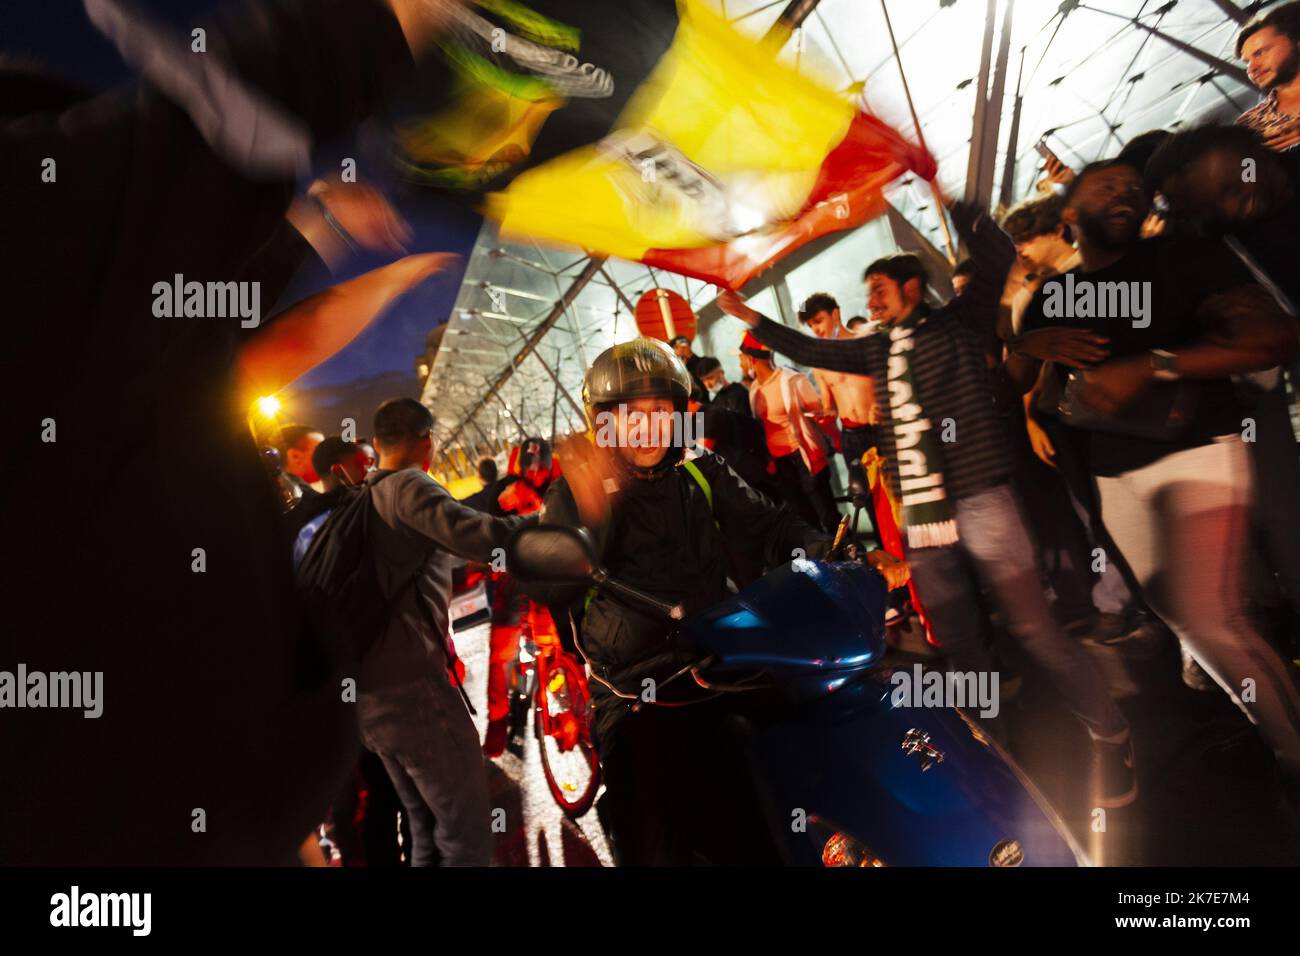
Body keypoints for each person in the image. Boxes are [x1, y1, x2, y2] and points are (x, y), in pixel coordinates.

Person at [2, 0, 462, 865]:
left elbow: (215, 328)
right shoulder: (55, 255)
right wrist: (382, 27)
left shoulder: (109, 349)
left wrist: (329, 234)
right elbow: (169, 177)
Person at [721, 195, 1140, 807]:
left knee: (1033, 626)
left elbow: (996, 253)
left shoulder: (962, 321)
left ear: (914, 287)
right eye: (868, 293)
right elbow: (811, 351)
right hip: (923, 516)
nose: (871, 302)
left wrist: (956, 198)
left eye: (880, 289)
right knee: (959, 642)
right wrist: (748, 316)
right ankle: (994, 748)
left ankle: (1111, 733)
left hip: (983, 501)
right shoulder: (874, 348)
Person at [537, 338, 908, 865]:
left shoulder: (698, 469)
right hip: (637, 689)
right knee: (652, 839)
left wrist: (845, 554)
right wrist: (589, 523)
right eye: (630, 414)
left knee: (834, 757)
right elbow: (544, 582)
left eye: (660, 410)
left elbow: (773, 526)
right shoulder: (575, 491)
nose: (647, 427)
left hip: (728, 658)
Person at [1011, 158, 1300, 800]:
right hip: (1113, 471)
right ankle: (1273, 726)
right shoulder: (1053, 294)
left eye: (1131, 186)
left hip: (1199, 448)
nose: (1124, 191)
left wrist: (1156, 364)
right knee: (1183, 617)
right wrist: (1031, 347)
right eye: (1104, 185)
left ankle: (1293, 753)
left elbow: (1273, 337)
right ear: (1069, 213)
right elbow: (1017, 382)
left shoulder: (1183, 257)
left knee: (1210, 614)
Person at [357, 398, 530, 866]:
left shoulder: (366, 497)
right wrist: (549, 521)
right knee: (465, 828)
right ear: (427, 441)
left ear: (376, 443)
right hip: (414, 693)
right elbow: (486, 536)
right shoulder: (409, 486)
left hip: (371, 699)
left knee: (425, 825)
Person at [481, 437, 558, 756]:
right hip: (515, 580)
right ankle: (498, 719)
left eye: (542, 467)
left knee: (565, 643)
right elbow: (494, 533)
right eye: (532, 468)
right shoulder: (507, 490)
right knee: (501, 651)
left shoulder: (562, 483)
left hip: (556, 577)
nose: (537, 473)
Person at [740, 332, 842, 533]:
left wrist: (834, 441)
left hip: (806, 458)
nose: (740, 363)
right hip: (782, 465)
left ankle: (851, 558)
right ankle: (823, 563)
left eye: (741, 358)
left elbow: (818, 412)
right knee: (806, 522)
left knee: (829, 518)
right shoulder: (754, 390)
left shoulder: (792, 379)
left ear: (751, 359)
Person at [289, 436, 371, 567]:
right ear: (339, 472)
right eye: (359, 464)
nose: (367, 471)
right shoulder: (361, 514)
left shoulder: (304, 529)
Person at [1236, 2, 1300, 152]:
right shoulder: (1247, 125)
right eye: (1247, 62)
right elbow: (1247, 174)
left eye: (1260, 53)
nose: (1251, 68)